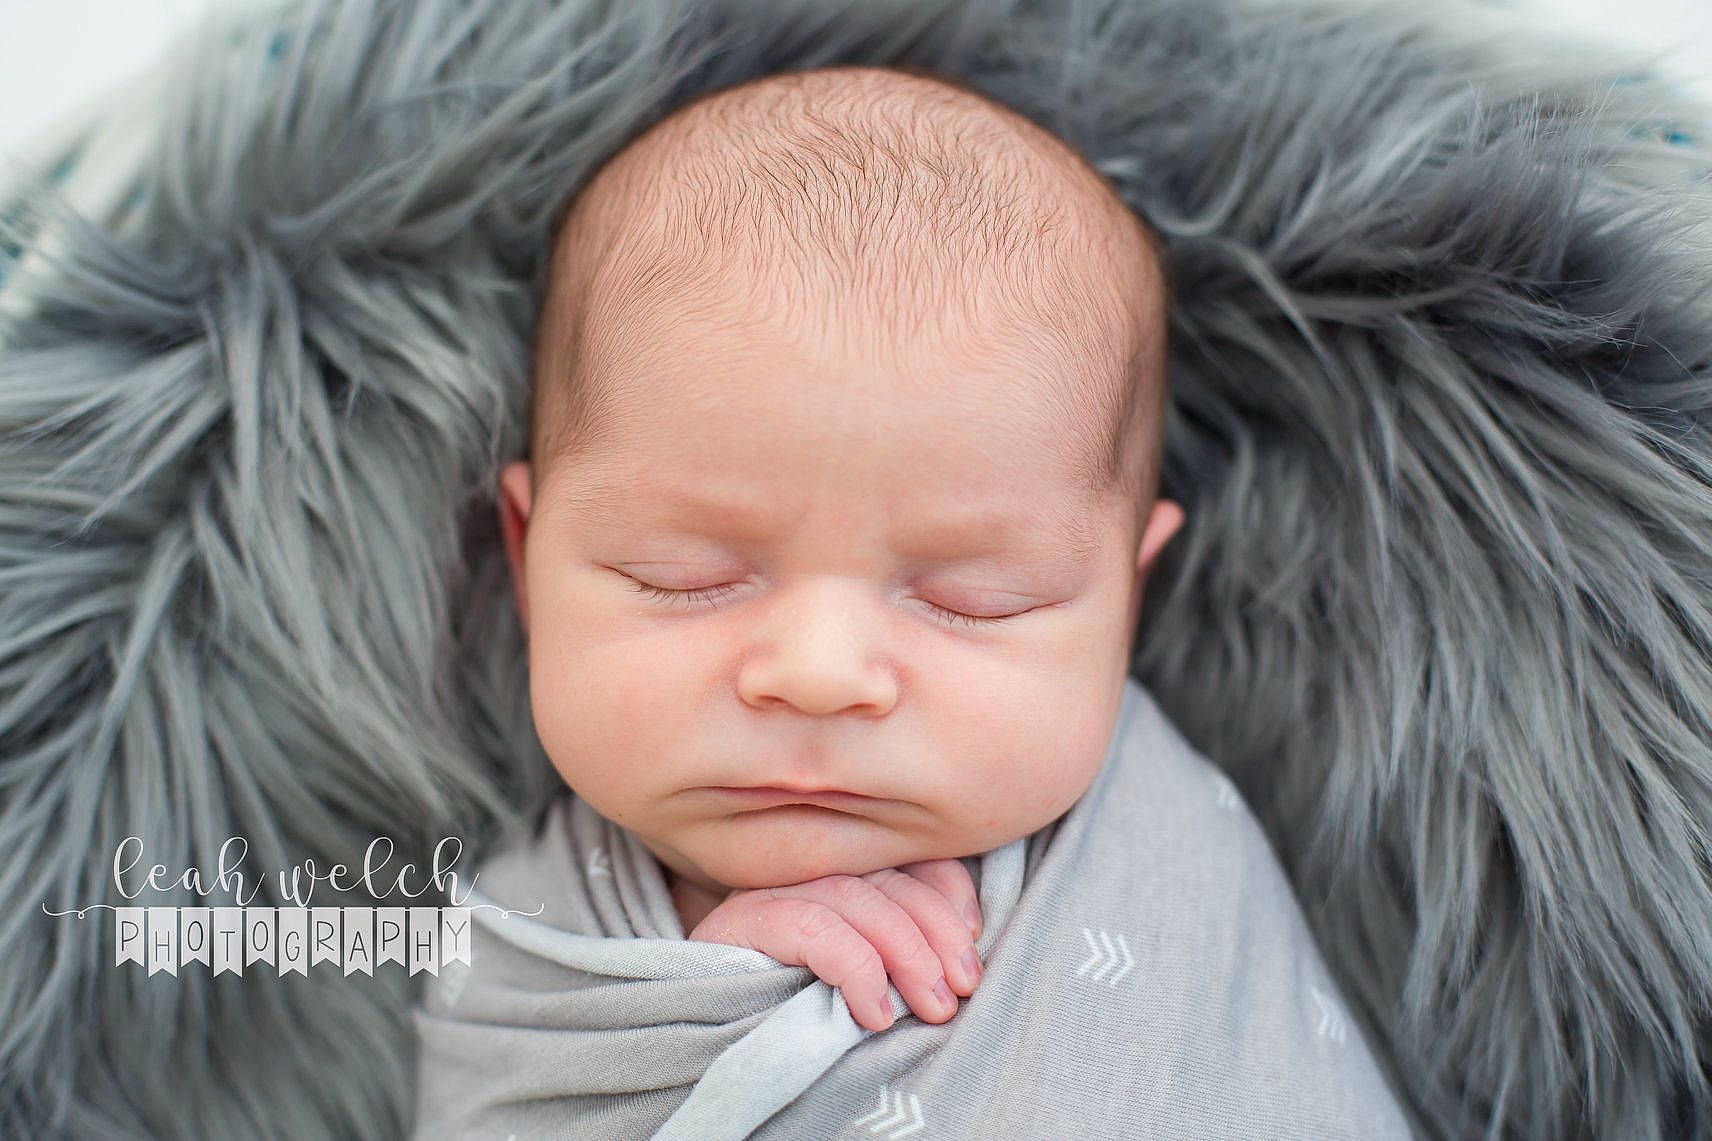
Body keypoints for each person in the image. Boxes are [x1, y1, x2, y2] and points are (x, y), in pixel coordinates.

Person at [411, 63, 1413, 1139]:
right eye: (683, 578)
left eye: (972, 599)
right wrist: (710, 981)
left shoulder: (1173, 849)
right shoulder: (523, 938)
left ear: (1126, 599)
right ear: (526, 560)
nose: (819, 673)